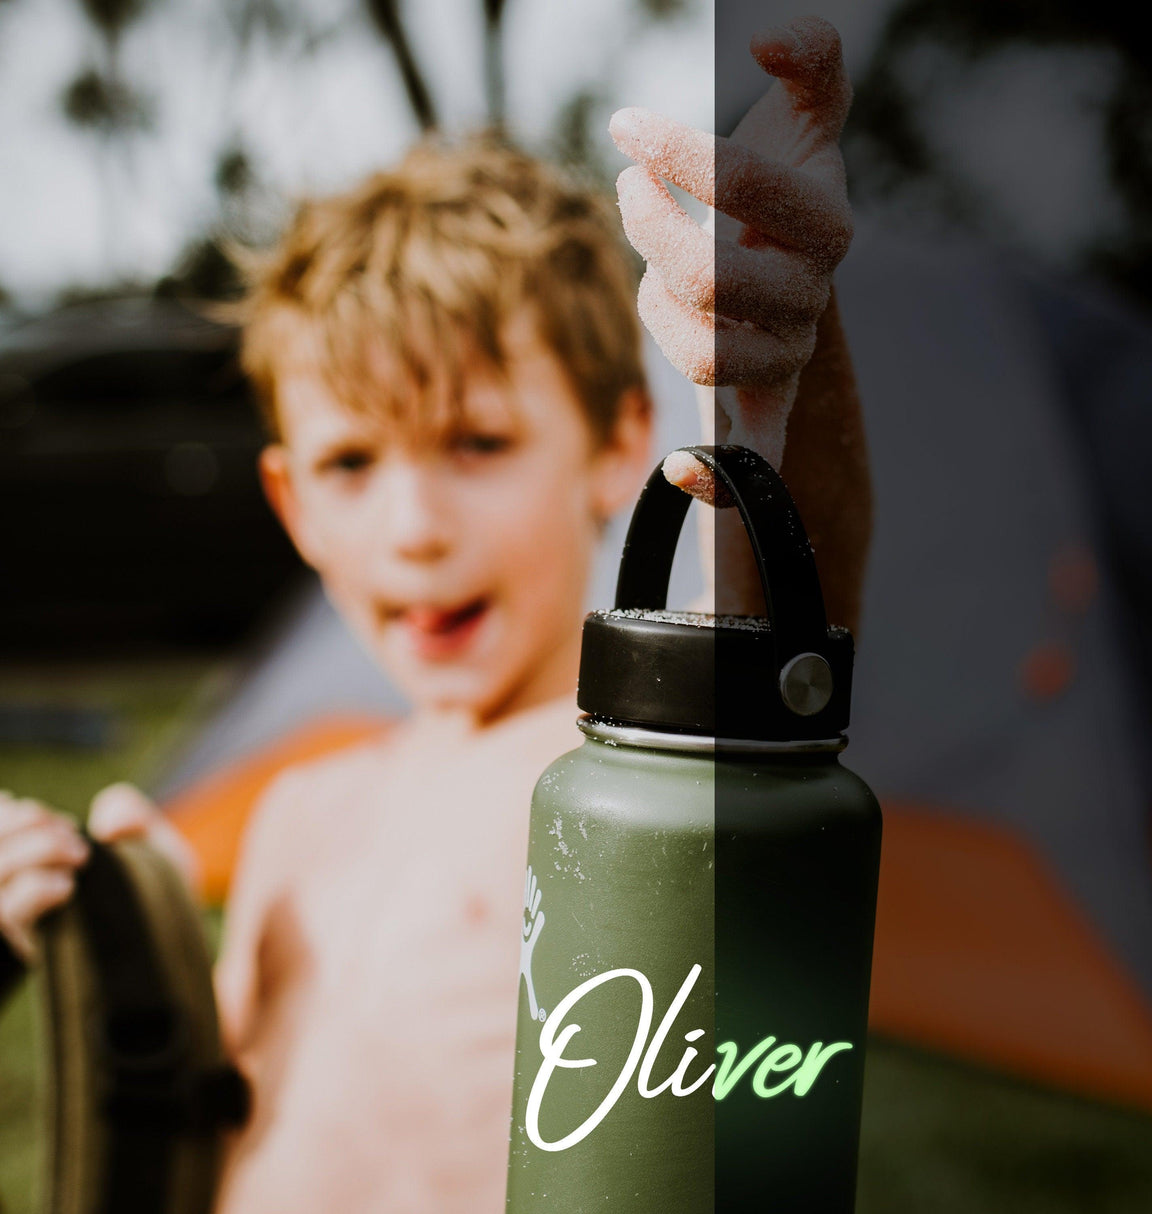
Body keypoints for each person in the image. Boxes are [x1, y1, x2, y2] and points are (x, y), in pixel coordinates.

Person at [0, 16, 869, 1211]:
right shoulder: (300, 809)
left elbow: (780, 620)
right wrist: (100, 956)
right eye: (352, 462)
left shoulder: (627, 792)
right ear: (290, 501)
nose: (413, 524)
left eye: (477, 442)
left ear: (617, 444)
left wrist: (781, 375)